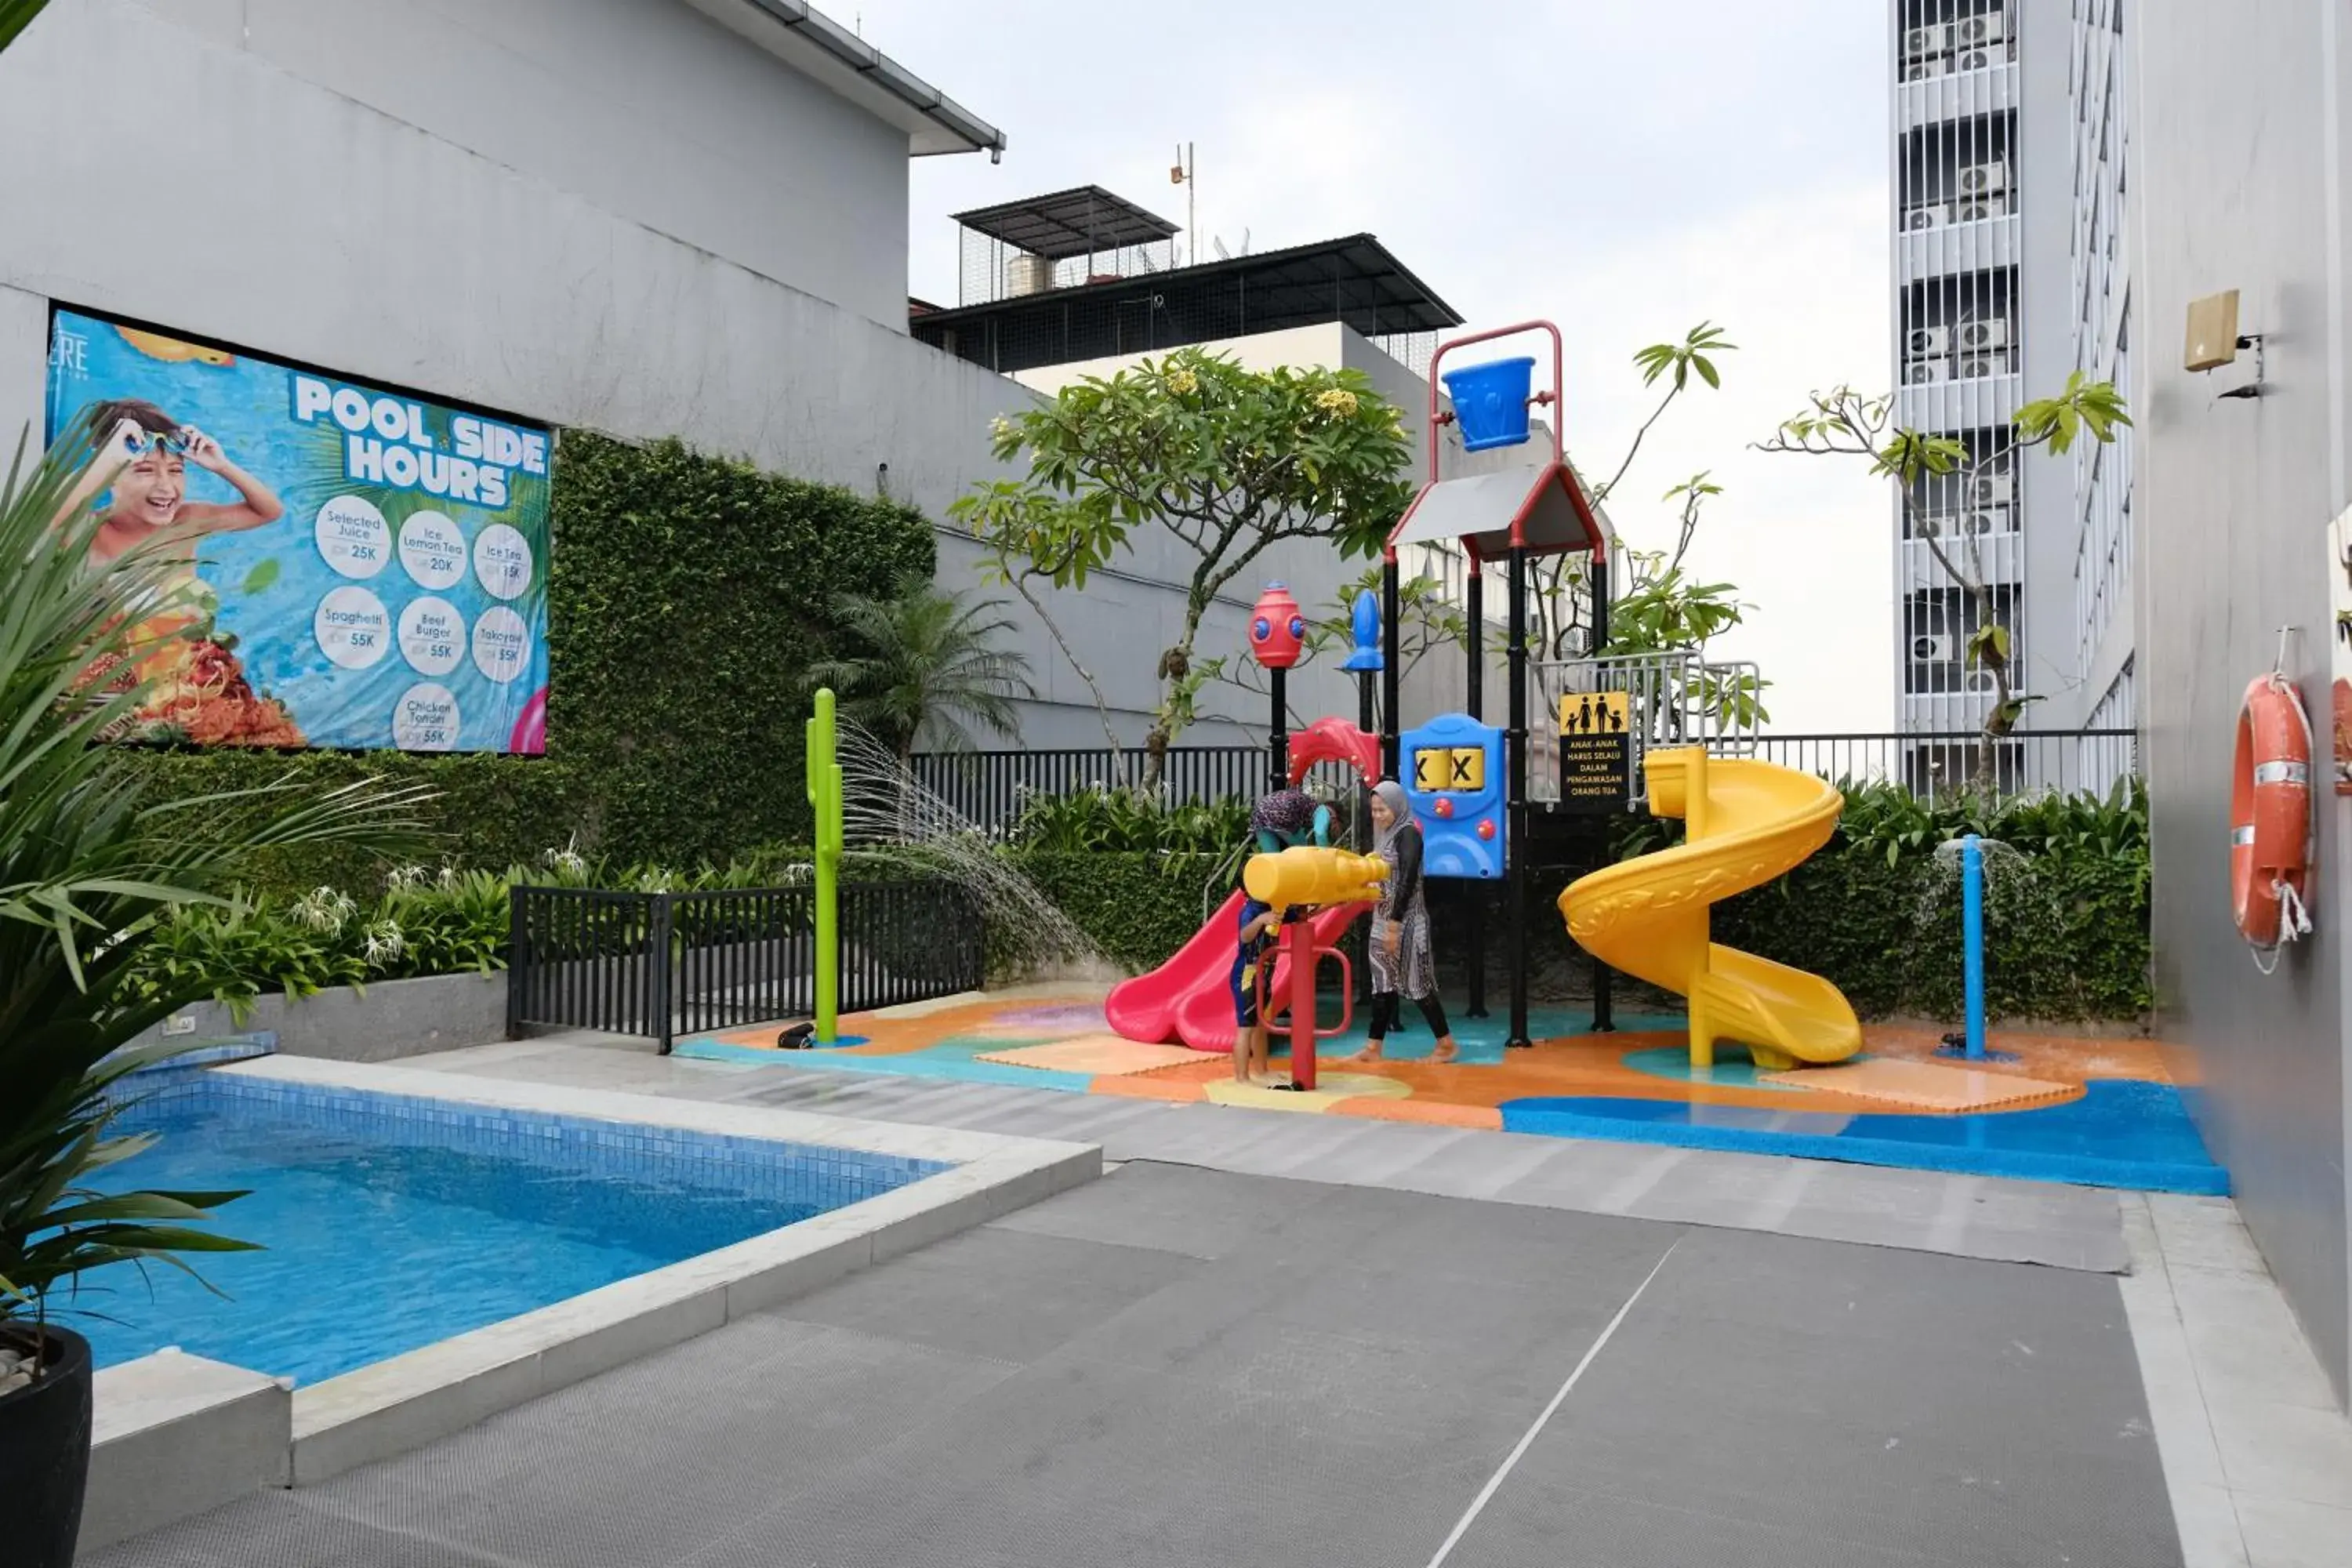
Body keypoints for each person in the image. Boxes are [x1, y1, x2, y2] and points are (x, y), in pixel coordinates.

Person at [1347, 779, 1459, 1065]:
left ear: (1396, 807)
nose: (1377, 816)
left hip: (1407, 922)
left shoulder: (1409, 835)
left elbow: (1408, 880)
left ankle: (1446, 1044)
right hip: (1381, 918)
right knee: (1382, 984)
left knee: (1417, 983)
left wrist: (1395, 925)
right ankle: (1373, 1047)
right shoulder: (1383, 836)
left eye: (1382, 809)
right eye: (1373, 810)